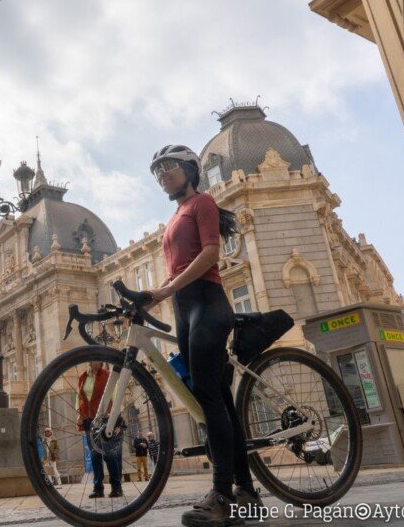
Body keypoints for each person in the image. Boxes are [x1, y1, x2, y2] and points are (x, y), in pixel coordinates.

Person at [145, 145, 263, 527]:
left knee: (210, 398)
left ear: (190, 169)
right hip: (184, 307)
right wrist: (149, 298)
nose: (162, 173)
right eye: (157, 170)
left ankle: (222, 495)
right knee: (219, 403)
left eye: (169, 166)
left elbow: (211, 254)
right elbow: (175, 271)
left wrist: (166, 290)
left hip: (208, 305)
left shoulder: (202, 203)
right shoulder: (174, 217)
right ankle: (246, 492)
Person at [76, 360, 124, 498]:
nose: (94, 362)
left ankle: (116, 487)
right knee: (94, 454)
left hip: (105, 417)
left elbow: (115, 395)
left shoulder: (108, 375)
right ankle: (98, 488)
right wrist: (79, 414)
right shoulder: (83, 377)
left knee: (109, 453)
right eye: (92, 360)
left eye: (97, 360)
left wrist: (115, 416)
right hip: (89, 418)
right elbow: (78, 397)